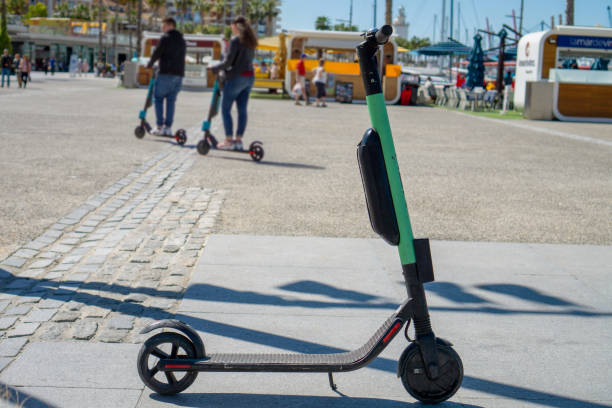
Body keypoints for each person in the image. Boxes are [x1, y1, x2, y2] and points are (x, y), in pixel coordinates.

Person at [210, 16, 257, 150]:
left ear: (236, 26)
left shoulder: (236, 40)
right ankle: (238, 141)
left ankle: (228, 140)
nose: (231, 28)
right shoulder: (250, 41)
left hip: (237, 77)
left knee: (225, 109)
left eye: (232, 26)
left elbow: (228, 62)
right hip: (249, 77)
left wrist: (214, 68)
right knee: (242, 110)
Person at [146, 17, 186, 137]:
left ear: (170, 26)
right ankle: (168, 128)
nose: (162, 29)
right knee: (171, 101)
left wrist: (150, 64)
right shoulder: (182, 39)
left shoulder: (165, 38)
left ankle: (159, 126)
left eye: (163, 26)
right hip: (178, 75)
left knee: (158, 98)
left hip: (166, 74)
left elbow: (157, 52)